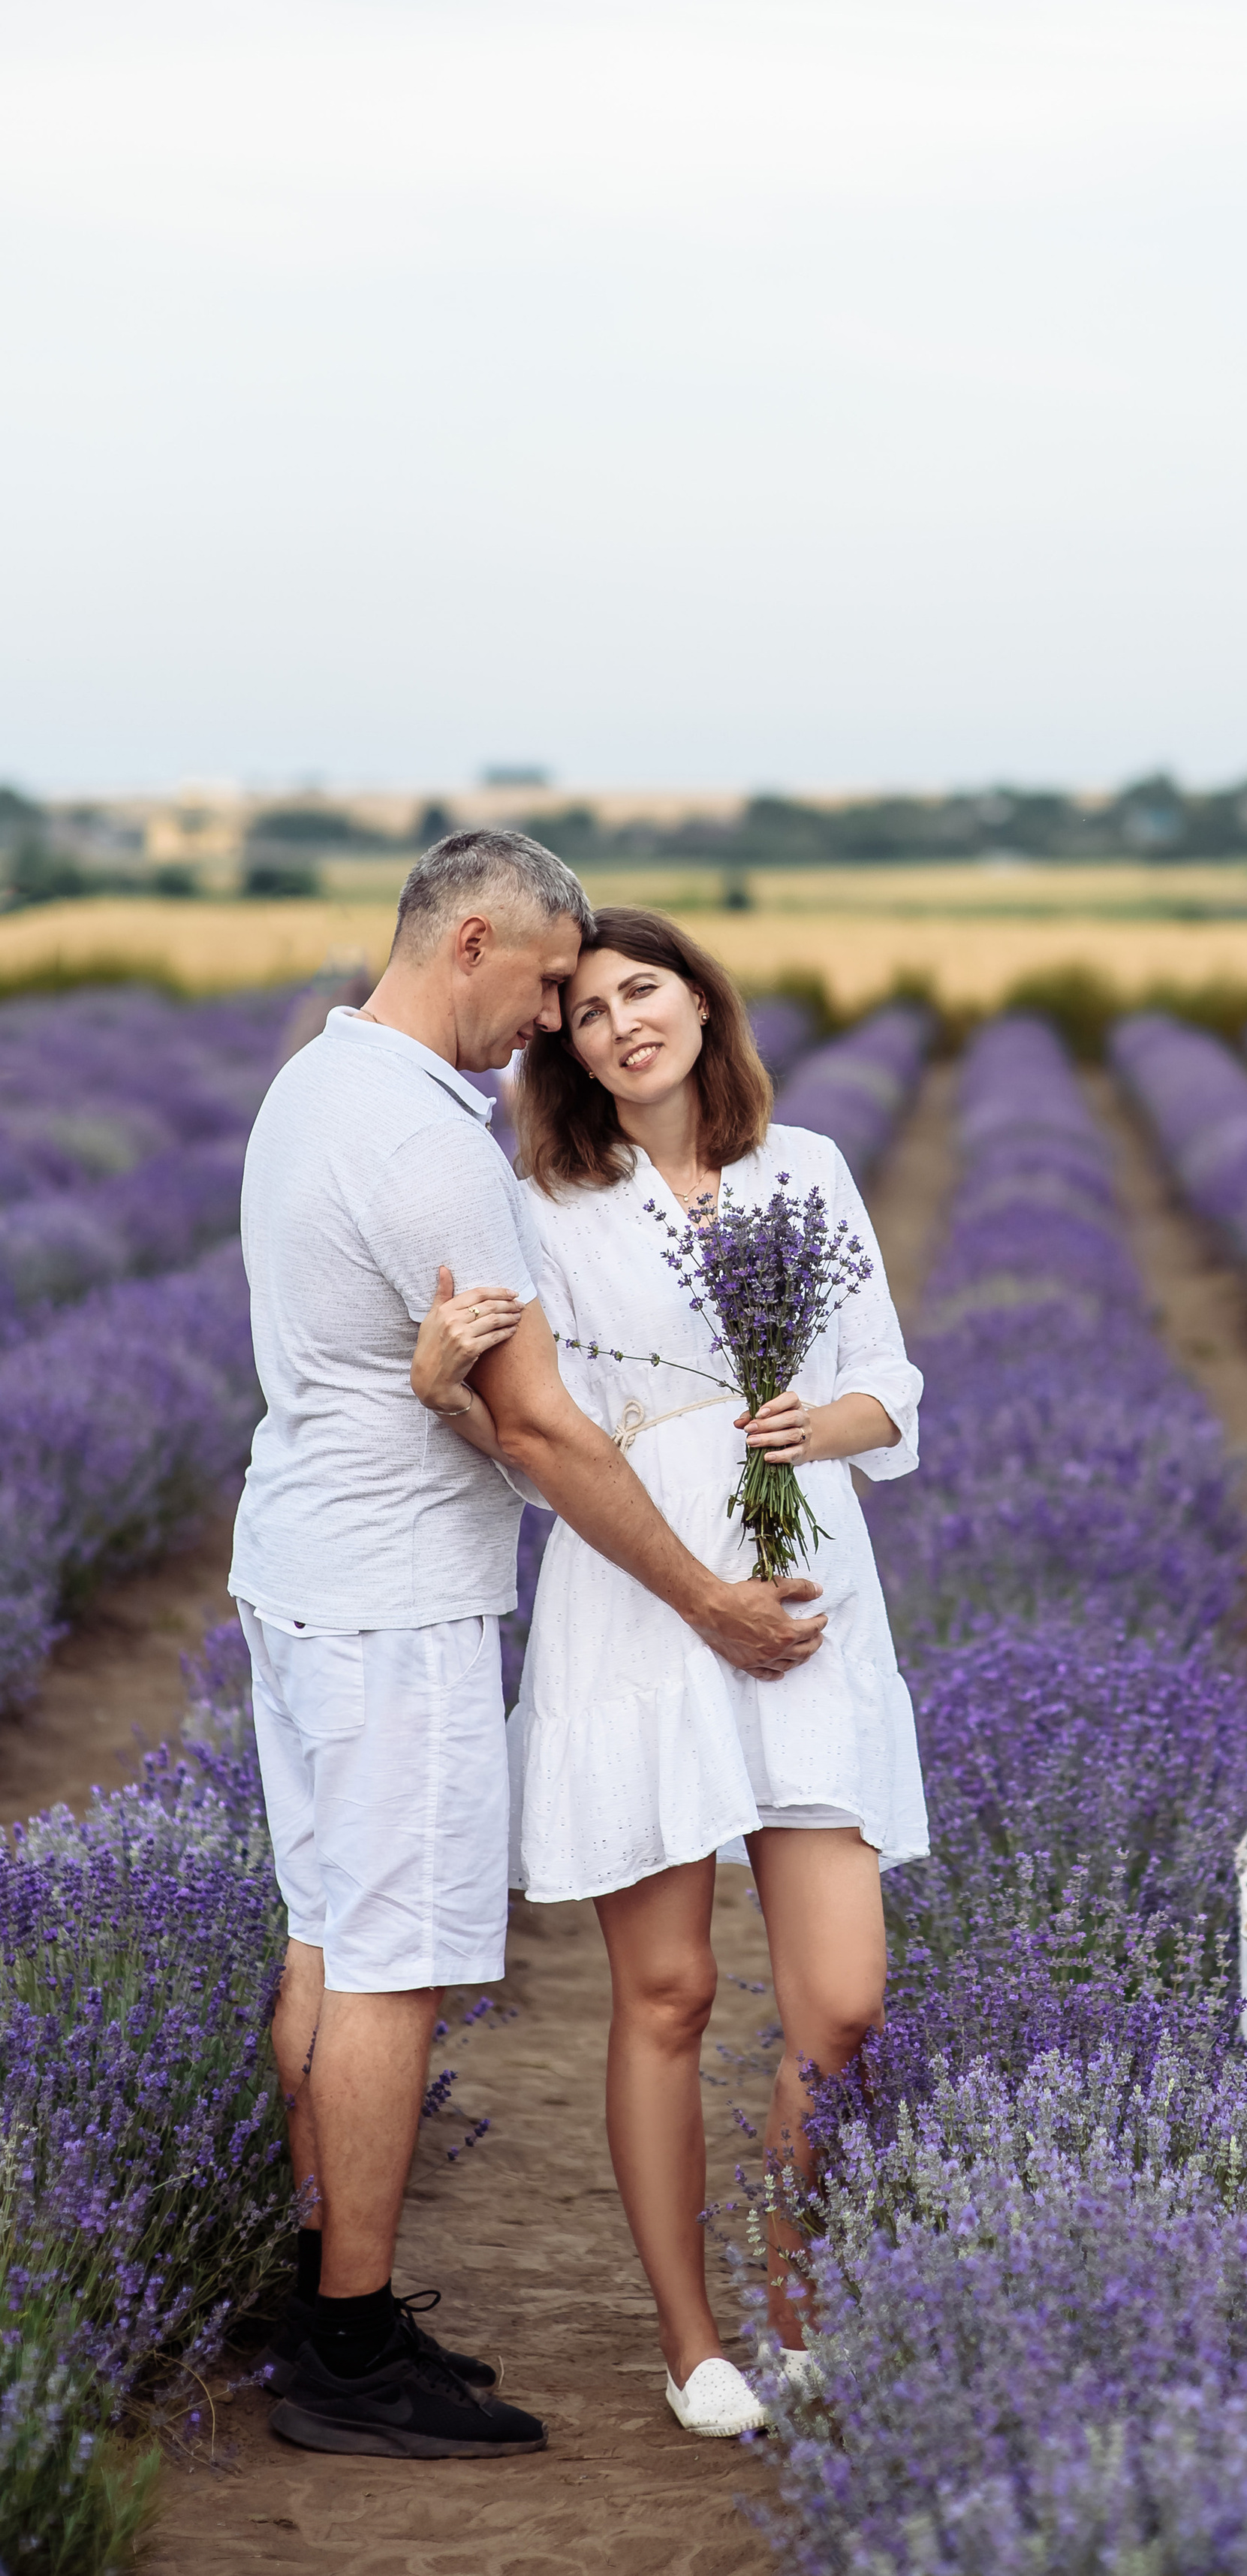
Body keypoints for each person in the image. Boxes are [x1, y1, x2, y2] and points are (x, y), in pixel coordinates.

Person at [236, 837, 826, 2465]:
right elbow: (548, 1431)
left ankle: (319, 2297)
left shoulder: (318, 1083)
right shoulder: (429, 1143)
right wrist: (705, 1597)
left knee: (325, 1936)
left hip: (303, 1563)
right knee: (393, 1960)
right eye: (550, 982)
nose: (553, 1017)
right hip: (393, 1593)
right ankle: (349, 2349)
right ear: (474, 940)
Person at [410, 907, 925, 2439]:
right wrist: (444, 1388)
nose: (622, 1021)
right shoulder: (542, 1206)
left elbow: (887, 1376)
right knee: (669, 1991)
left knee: (839, 2001)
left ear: (702, 999)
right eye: (584, 1011)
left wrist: (819, 1426)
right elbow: (526, 1439)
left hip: (807, 1582)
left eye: (645, 989)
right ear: (563, 1051)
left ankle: (789, 2299)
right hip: (643, 1594)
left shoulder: (808, 1166)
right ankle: (695, 2341)